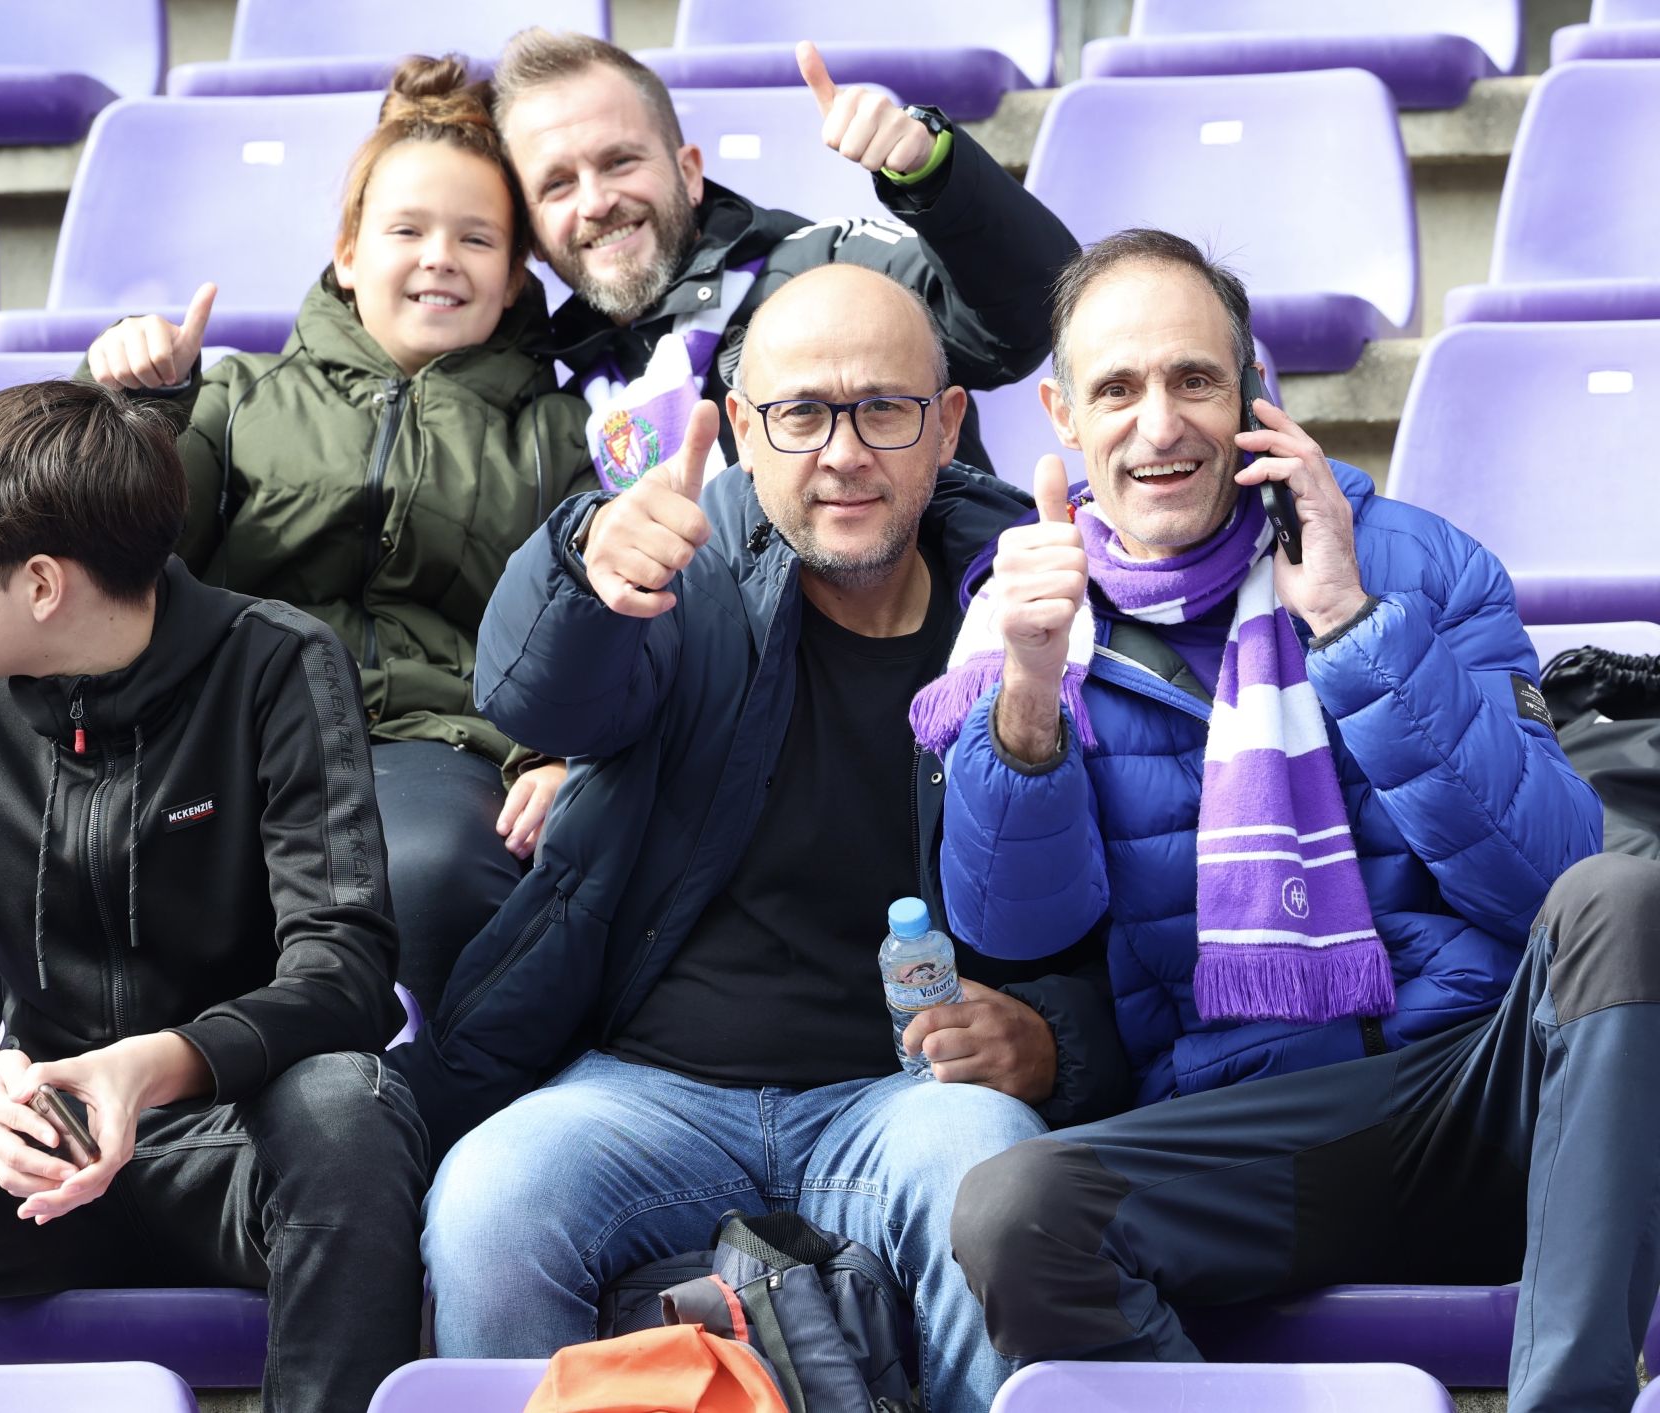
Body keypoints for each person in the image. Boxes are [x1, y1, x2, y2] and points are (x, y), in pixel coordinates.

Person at [405, 264, 1131, 1412]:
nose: (842, 451)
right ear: (743, 429)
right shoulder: (677, 566)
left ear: (948, 428)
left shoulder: (1030, 599)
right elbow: (540, 701)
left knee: (992, 1165)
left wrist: (1055, 1042)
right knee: (491, 1199)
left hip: (903, 1099)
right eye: (800, 413)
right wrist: (586, 575)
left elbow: (1121, 913)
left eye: (884, 409)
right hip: (645, 1089)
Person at [922, 231, 1626, 1411]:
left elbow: (1555, 874)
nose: (1160, 426)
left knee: (1628, 899)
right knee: (1015, 1212)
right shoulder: (1027, 613)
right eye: (1118, 389)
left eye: (1195, 379)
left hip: (1489, 1084)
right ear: (1060, 414)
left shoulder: (1409, 562)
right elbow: (1015, 929)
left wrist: (1352, 626)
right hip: (1257, 1132)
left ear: (1250, 391)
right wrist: (1030, 700)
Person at [0, 381, 427, 1413]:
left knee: (348, 1109)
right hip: (32, 1158)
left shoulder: (278, 665)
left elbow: (346, 970)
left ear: (45, 586)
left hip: (236, 1143)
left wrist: (158, 1067)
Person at [84, 56, 595, 1015]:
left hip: (439, 741)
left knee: (438, 870)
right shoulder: (235, 397)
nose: (441, 255)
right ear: (349, 254)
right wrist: (138, 405)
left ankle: (426, 1137)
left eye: (476, 238)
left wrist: (564, 754)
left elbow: (588, 619)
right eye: (408, 229)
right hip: (228, 730)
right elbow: (111, 544)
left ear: (515, 274)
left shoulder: (554, 436)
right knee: (62, 837)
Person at [489, 29, 1080, 483]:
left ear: (689, 173)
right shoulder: (554, 390)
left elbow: (1032, 315)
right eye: (558, 185)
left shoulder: (824, 272)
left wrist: (934, 175)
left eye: (620, 161)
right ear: (534, 233)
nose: (596, 201)